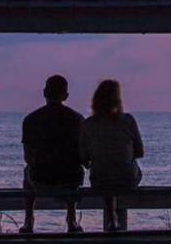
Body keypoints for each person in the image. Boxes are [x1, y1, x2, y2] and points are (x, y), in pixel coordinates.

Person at [20, 75, 84, 233]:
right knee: (76, 170)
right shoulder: (77, 119)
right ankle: (71, 219)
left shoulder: (30, 119)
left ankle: (28, 220)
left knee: (27, 173)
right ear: (66, 96)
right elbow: (83, 155)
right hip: (70, 179)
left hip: (41, 179)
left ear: (44, 93)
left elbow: (27, 157)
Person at [79, 79, 144, 232]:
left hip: (100, 180)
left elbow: (83, 159)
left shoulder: (87, 125)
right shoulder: (128, 120)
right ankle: (114, 217)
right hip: (128, 179)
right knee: (121, 171)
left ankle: (111, 215)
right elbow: (140, 152)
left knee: (105, 173)